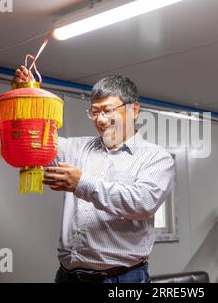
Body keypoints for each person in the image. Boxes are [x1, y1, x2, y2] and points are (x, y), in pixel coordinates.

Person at [13, 66, 175, 283]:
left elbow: (142, 202)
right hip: (68, 276)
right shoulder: (75, 149)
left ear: (133, 110)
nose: (99, 119)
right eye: (94, 111)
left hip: (121, 278)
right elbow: (31, 143)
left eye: (107, 110)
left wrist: (81, 183)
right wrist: (25, 93)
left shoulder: (156, 157)